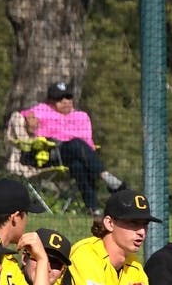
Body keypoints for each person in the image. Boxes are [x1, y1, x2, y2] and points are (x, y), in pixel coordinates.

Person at [22, 79, 124, 216]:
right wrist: (29, 119)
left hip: (76, 155)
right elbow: (22, 115)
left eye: (68, 97)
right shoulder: (42, 109)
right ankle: (105, 176)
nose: (65, 101)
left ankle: (94, 209)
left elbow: (88, 141)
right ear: (51, 101)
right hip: (52, 153)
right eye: (60, 98)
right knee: (75, 143)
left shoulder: (81, 116)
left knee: (77, 165)